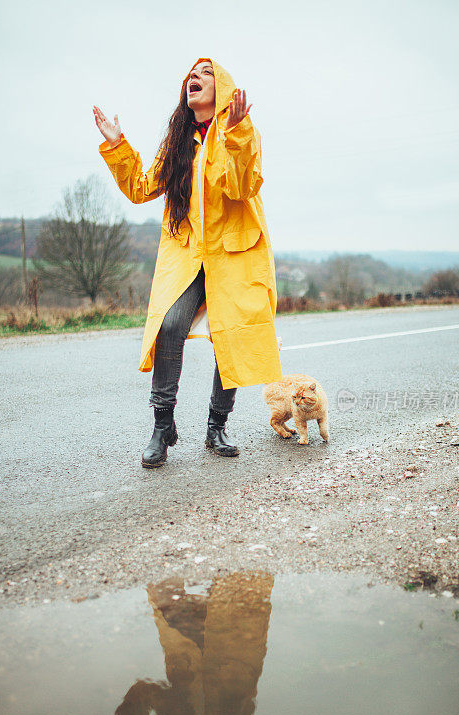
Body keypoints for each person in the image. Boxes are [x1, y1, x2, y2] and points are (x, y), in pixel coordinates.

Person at [93, 58, 282, 468]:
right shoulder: (179, 141)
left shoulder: (240, 132)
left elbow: (243, 185)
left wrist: (235, 135)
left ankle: (217, 426)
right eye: (190, 75)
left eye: (205, 73)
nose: (193, 78)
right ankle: (163, 427)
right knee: (171, 324)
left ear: (224, 88)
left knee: (228, 336)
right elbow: (142, 188)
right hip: (189, 253)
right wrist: (116, 144)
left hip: (235, 254)